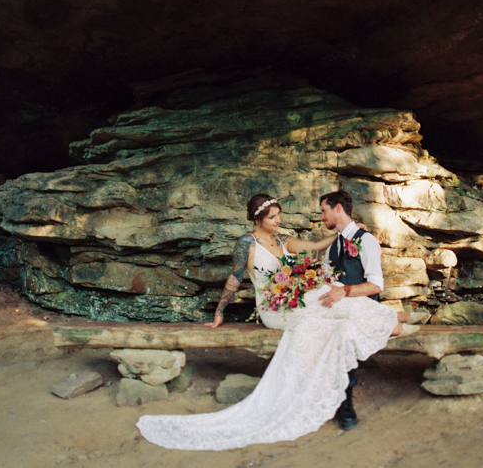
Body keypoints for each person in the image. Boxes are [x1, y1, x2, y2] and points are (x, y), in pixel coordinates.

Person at [136, 193, 420, 451]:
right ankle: (392, 319)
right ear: (258, 219)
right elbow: (235, 278)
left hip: (294, 301)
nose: (278, 221)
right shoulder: (246, 243)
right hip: (273, 308)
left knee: (329, 308)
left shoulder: (284, 241)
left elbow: (316, 245)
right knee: (327, 298)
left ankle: (383, 329)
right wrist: (221, 309)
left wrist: (351, 232)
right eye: (273, 217)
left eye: (279, 216)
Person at [317, 190, 422, 430]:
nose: (321, 217)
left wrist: (344, 292)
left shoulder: (367, 241)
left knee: (344, 335)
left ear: (338, 209)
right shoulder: (332, 246)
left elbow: (376, 286)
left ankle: (346, 405)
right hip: (336, 307)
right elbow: (326, 279)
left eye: (324, 211)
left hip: (360, 308)